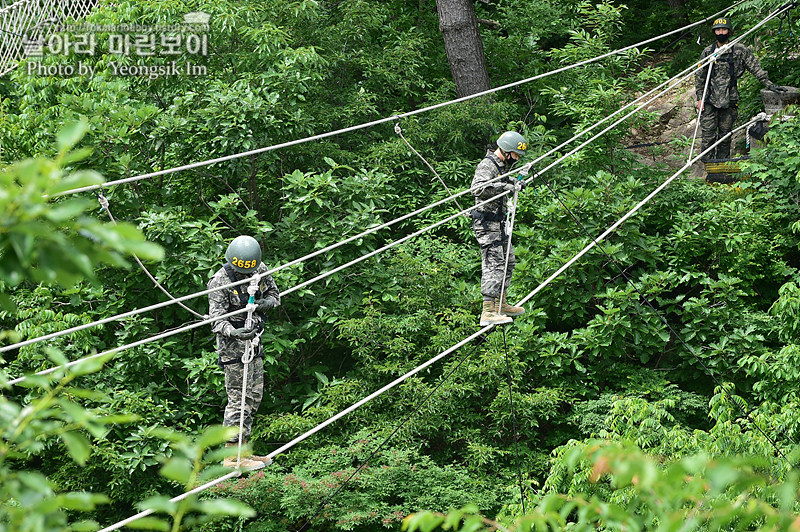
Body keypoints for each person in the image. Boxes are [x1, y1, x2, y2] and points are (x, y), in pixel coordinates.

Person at [208, 235, 280, 469]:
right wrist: (235, 332)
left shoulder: (259, 270)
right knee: (238, 401)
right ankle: (231, 456)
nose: (244, 275)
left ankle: (244, 452)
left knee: (253, 397)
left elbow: (274, 297)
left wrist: (261, 305)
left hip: (254, 343)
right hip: (233, 348)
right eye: (240, 271)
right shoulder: (220, 281)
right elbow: (216, 320)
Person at [695, 17, 785, 161]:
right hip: (709, 100)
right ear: (714, 32)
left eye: (724, 29)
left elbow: (755, 67)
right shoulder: (708, 52)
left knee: (725, 136)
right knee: (708, 136)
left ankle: (722, 167)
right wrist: (700, 99)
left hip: (729, 100)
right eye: (718, 30)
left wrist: (769, 84)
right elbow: (700, 77)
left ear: (729, 31)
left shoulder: (740, 50)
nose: (721, 32)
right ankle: (708, 167)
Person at [471, 131, 527, 327]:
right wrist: (504, 186)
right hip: (486, 224)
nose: (517, 159)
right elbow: (477, 188)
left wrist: (513, 183)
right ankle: (488, 311)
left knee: (508, 262)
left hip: (499, 223)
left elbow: (502, 184)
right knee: (494, 264)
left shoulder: (503, 167)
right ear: (506, 150)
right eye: (515, 154)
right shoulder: (488, 165)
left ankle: (501, 303)